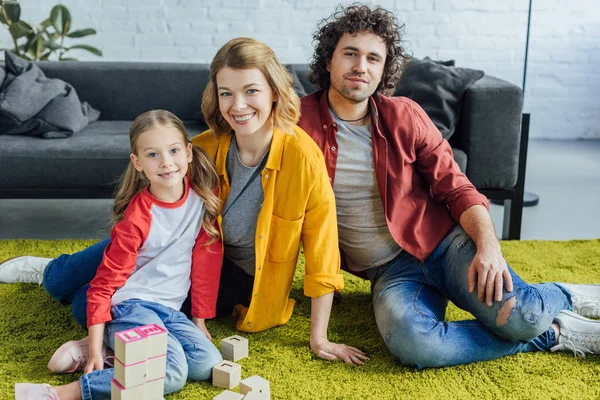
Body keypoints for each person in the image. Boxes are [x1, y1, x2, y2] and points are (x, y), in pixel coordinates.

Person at [0, 37, 367, 378]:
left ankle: (100, 342)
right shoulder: (204, 147)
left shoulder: (304, 158)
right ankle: (50, 268)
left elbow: (322, 250)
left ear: (274, 91)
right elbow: (157, 199)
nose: (237, 106)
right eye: (227, 93)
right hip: (164, 246)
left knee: (85, 306)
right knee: (60, 280)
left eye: (251, 91)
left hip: (233, 278)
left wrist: (319, 338)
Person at [294, 4, 599, 368]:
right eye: (350, 54)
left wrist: (488, 247)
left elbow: (456, 187)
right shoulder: (295, 123)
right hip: (389, 273)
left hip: (445, 245)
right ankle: (556, 333)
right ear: (328, 61)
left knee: (521, 319)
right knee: (415, 345)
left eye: (373, 58)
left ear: (382, 71)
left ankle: (562, 295)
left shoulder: (404, 115)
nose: (361, 66)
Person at [15, 110, 224, 399]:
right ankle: (62, 393)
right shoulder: (138, 217)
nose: (166, 162)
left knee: (206, 363)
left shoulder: (202, 200)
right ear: (138, 163)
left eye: (174, 150)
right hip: (132, 304)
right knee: (174, 373)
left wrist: (199, 321)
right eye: (152, 155)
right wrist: (95, 351)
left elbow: (205, 263)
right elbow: (104, 286)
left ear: (188, 152)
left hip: (170, 310)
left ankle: (119, 354)